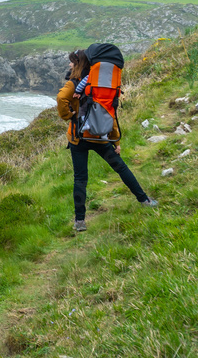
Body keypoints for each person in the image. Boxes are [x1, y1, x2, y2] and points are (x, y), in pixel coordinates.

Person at [57, 49, 158, 232]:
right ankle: (144, 200)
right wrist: (116, 140)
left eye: (72, 62)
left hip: (78, 139)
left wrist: (69, 116)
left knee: (80, 179)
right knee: (121, 168)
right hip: (101, 138)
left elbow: (61, 98)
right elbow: (110, 113)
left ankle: (80, 222)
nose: (70, 65)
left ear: (78, 64)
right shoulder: (102, 86)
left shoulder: (74, 84)